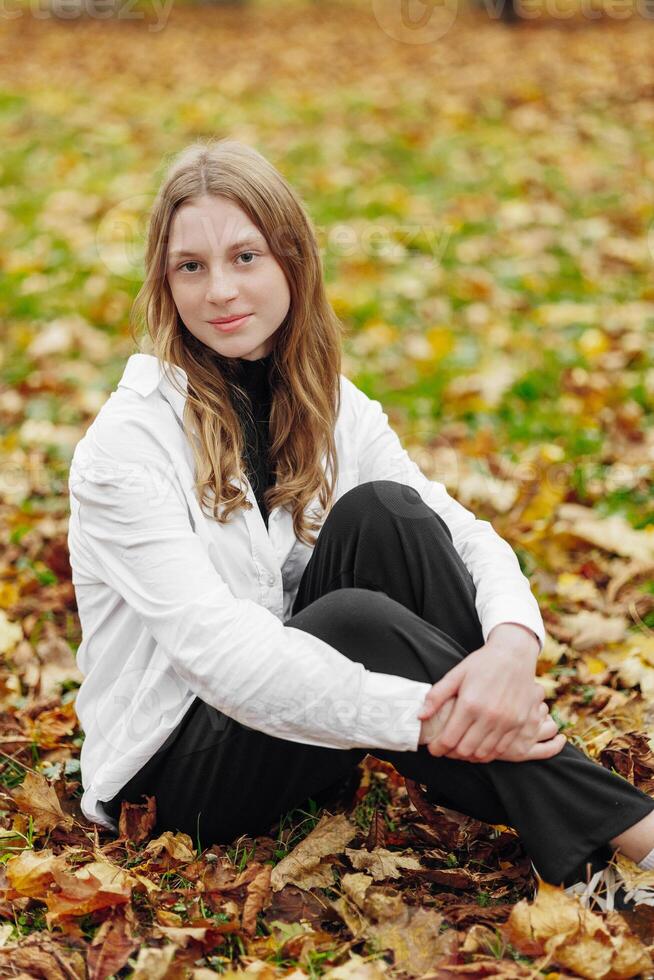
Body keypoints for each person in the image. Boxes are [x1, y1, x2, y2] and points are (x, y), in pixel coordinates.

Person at [67, 138, 654, 902]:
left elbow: (458, 531)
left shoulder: (329, 402)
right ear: (165, 280)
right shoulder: (125, 446)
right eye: (191, 266)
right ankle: (625, 834)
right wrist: (427, 716)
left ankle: (550, 793)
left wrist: (511, 648)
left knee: (388, 514)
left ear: (292, 260)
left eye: (245, 257)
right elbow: (225, 659)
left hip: (299, 720)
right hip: (177, 778)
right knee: (350, 621)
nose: (220, 290)